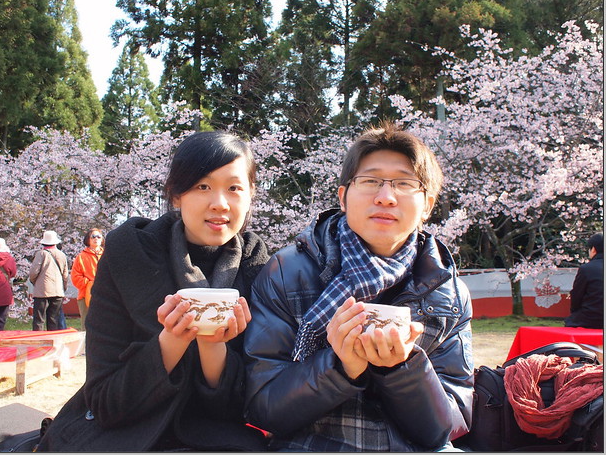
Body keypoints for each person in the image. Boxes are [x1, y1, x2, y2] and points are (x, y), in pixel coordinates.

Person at [244, 121, 474, 451]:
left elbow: (445, 428)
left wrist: (402, 368)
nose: (385, 197)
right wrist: (340, 368)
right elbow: (264, 408)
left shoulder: (448, 293)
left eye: (404, 184)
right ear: (343, 196)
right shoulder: (287, 272)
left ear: (427, 204)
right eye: (370, 181)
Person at [37, 131, 270, 452]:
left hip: (216, 438)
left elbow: (244, 405)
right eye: (202, 186)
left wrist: (212, 346)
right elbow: (105, 402)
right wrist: (171, 341)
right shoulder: (130, 252)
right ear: (176, 195)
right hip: (122, 434)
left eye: (234, 188)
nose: (219, 203)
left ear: (250, 194)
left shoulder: (257, 262)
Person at [28, 230, 69, 331]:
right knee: (53, 318)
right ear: (56, 242)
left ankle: (38, 340)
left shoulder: (41, 254)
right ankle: (53, 340)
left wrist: (35, 282)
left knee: (39, 319)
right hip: (58, 291)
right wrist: (63, 287)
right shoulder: (62, 255)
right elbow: (65, 274)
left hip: (42, 291)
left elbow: (34, 272)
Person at [564, 232, 604, 329]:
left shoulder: (587, 269)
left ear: (593, 249)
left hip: (591, 319)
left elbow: (577, 296)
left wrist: (574, 312)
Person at [70, 228, 105, 330]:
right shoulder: (81, 257)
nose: (96, 239)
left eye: (99, 236)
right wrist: (89, 283)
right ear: (88, 239)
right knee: (87, 325)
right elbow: (75, 277)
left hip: (105, 294)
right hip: (86, 295)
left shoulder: (107, 255)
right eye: (93, 236)